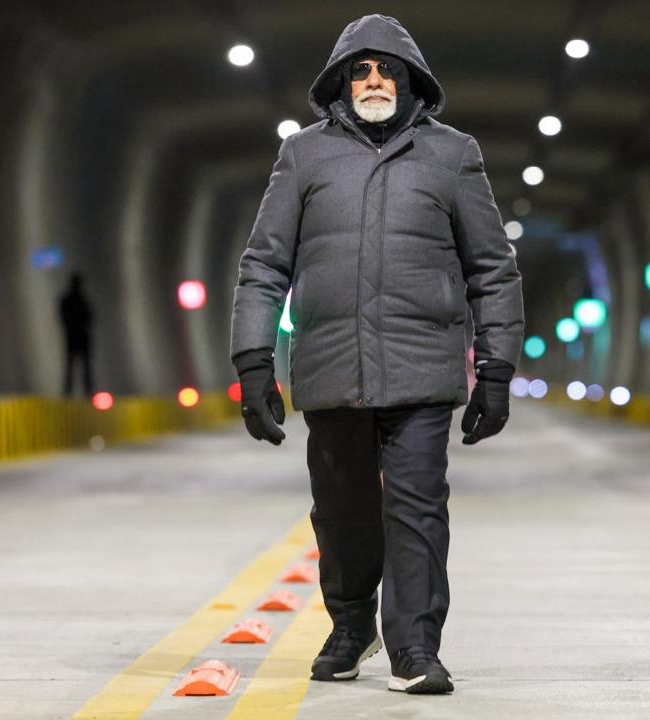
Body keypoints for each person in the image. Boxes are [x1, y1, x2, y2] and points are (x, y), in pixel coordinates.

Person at [228, 14, 523, 695]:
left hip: (422, 368)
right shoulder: (304, 155)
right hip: (331, 369)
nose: (373, 80)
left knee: (418, 507)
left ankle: (415, 646)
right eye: (360, 70)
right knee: (343, 509)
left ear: (412, 80)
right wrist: (253, 364)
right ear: (339, 83)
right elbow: (264, 265)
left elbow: (492, 268)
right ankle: (351, 624)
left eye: (387, 69)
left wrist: (497, 369)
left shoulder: (451, 155)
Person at [58, 272, 94, 397]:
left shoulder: (68, 300)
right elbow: (89, 318)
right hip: (78, 337)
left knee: (77, 366)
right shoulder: (81, 301)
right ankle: (83, 392)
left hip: (73, 337)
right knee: (80, 366)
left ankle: (71, 392)